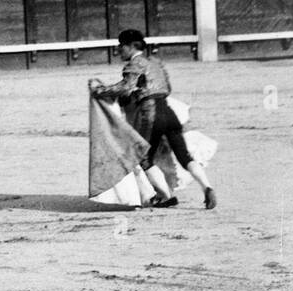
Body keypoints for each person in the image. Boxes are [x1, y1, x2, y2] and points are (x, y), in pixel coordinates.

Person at [90, 30, 216, 209]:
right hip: (168, 112)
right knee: (184, 156)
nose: (119, 50)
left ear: (131, 46)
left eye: (121, 46)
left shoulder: (135, 64)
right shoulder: (156, 63)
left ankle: (165, 195)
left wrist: (100, 91)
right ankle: (207, 187)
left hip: (150, 115)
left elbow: (126, 87)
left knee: (143, 157)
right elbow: (167, 88)